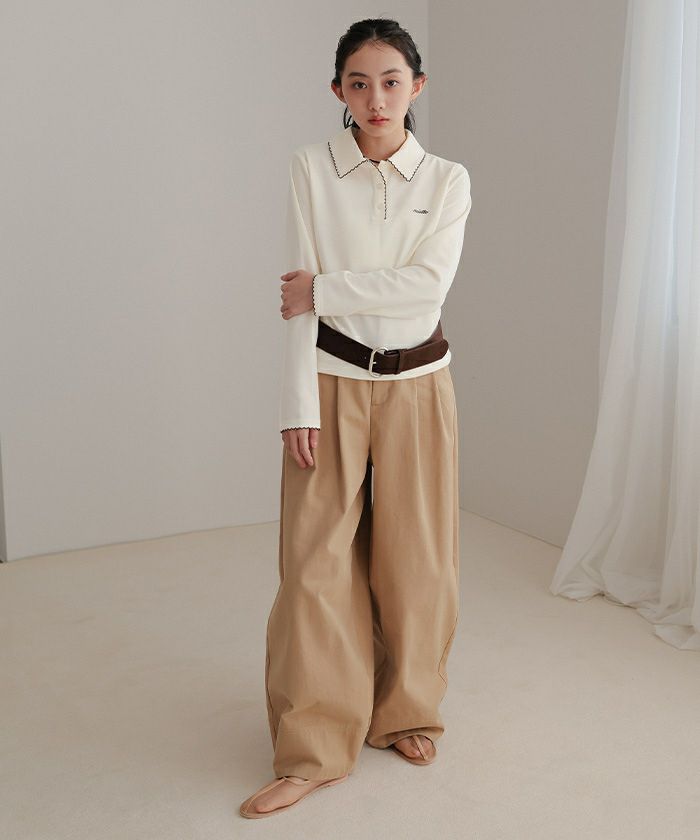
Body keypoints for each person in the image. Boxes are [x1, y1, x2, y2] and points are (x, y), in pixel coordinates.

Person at [239, 17, 472, 819]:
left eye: (392, 81)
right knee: (314, 569)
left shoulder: (447, 180)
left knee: (418, 561)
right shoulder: (310, 167)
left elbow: (428, 287)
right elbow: (295, 302)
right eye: (360, 83)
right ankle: (313, 748)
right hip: (330, 383)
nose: (377, 98)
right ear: (338, 89)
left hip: (420, 388)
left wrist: (328, 289)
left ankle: (405, 712)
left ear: (417, 86)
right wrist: (296, 405)